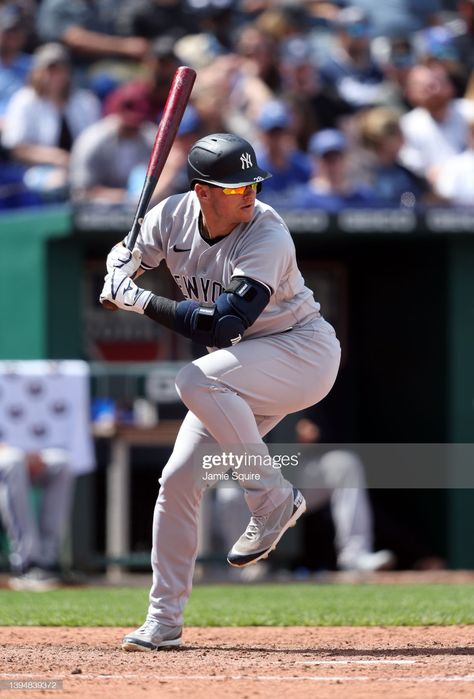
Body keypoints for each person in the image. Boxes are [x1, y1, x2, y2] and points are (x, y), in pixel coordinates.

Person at [100, 132, 341, 650]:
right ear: (203, 191)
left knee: (195, 378)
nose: (250, 192)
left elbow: (223, 325)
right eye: (235, 186)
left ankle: (272, 498)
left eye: (253, 182)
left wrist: (138, 299)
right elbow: (126, 256)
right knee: (179, 479)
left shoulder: (267, 232)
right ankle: (163, 621)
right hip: (240, 370)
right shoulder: (169, 216)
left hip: (300, 351)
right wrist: (117, 271)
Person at [212, 417, 395, 575]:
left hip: (296, 469)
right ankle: (245, 565)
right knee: (228, 493)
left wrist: (305, 433)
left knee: (345, 464)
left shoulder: (297, 383)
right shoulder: (233, 390)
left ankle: (355, 556)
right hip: (250, 477)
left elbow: (320, 428)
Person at [1, 42, 101, 201]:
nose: (55, 74)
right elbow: (17, 148)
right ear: (37, 72)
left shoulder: (86, 101)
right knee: (59, 183)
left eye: (60, 69)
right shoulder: (24, 101)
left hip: (82, 170)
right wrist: (56, 157)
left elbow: (96, 142)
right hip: (36, 171)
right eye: (50, 69)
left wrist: (75, 164)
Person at [0, 444, 74, 590]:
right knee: (13, 461)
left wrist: (31, 454)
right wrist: (21, 453)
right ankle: (26, 562)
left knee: (62, 463)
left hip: (28, 452)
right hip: (8, 455)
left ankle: (47, 561)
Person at [69, 81, 157, 205]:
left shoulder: (150, 137)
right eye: (128, 124)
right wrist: (124, 197)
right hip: (98, 208)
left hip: (139, 204)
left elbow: (166, 178)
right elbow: (81, 190)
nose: (132, 127)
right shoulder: (93, 140)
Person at [292, 128, 379, 212]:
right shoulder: (304, 199)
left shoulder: (363, 196)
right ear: (315, 161)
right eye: (327, 159)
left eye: (337, 158)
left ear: (345, 159)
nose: (333, 165)